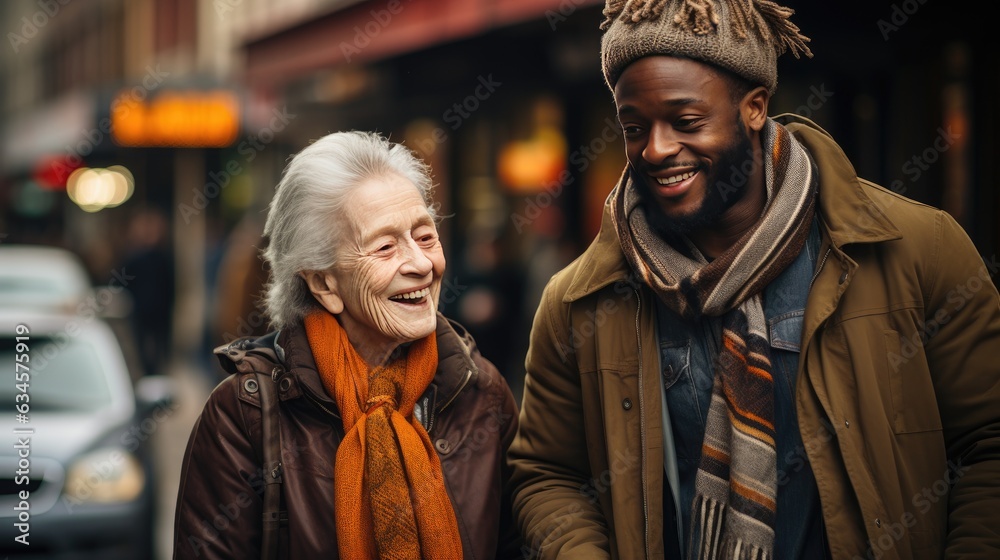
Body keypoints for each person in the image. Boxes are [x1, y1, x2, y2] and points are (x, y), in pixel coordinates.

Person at [507, 1, 1000, 559]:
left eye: (686, 122)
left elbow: (987, 444)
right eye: (634, 127)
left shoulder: (919, 252)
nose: (657, 149)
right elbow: (548, 473)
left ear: (755, 108)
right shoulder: (579, 300)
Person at [174, 130, 521, 559]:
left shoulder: (480, 392)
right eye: (385, 246)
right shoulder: (243, 417)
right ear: (323, 282)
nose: (420, 263)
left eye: (425, 236)